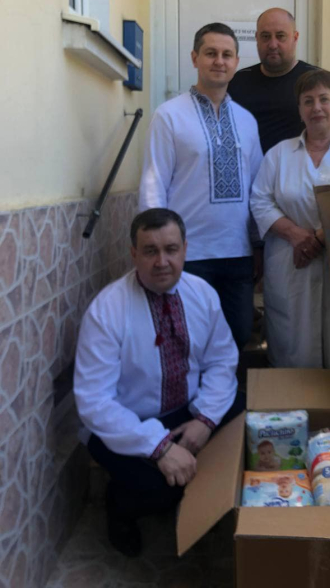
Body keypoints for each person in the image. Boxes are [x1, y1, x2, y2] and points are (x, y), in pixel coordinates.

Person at [74, 208, 242, 557]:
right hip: (123, 426)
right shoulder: (107, 310)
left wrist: (205, 420)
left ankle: (201, 489)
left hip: (185, 412)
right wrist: (159, 448)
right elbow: (94, 401)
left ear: (185, 249)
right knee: (161, 490)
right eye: (150, 250)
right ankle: (119, 507)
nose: (162, 261)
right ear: (133, 254)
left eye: (171, 249)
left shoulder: (202, 293)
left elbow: (222, 360)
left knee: (241, 407)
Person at [139, 23, 263, 350]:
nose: (219, 61)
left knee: (237, 335)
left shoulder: (247, 121)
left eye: (227, 55)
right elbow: (153, 184)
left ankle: (224, 387)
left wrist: (258, 246)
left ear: (236, 62)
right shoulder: (169, 116)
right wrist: (156, 249)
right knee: (186, 340)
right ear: (195, 58)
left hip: (237, 253)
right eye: (211, 53)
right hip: (187, 254)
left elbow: (257, 189)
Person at [250, 69, 330, 378]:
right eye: (308, 101)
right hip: (289, 263)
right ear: (299, 110)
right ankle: (291, 406)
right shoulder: (279, 154)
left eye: (324, 99)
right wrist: (296, 235)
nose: (316, 108)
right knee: (291, 347)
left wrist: (320, 238)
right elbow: (259, 200)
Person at [228, 8, 330, 154]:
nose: (273, 44)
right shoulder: (237, 81)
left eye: (280, 36)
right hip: (249, 168)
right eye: (265, 36)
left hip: (304, 168)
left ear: (295, 38)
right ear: (257, 39)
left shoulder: (318, 81)